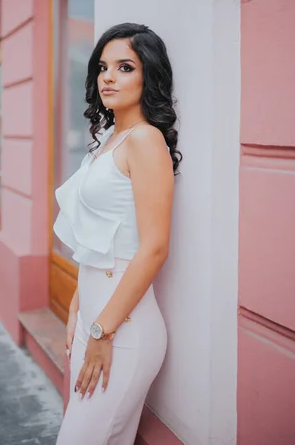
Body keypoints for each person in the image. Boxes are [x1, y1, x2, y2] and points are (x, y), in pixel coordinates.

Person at [54, 22, 181, 445]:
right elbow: (101, 240)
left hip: (122, 330)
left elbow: (154, 248)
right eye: (103, 67)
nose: (107, 76)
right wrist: (77, 305)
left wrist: (102, 331)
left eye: (124, 67)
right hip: (98, 318)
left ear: (150, 76)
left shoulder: (145, 140)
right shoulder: (109, 138)